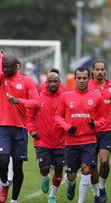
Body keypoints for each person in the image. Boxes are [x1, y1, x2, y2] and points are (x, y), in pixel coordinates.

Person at [0, 51, 39, 203]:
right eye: (3, 67)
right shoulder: (1, 78)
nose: (5, 70)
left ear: (17, 66)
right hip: (3, 128)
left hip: (20, 129)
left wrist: (19, 101)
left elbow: (36, 103)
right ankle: (5, 184)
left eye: (8, 67)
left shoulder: (27, 80)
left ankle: (14, 200)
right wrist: (0, 59)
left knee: (18, 167)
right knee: (3, 161)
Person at [55, 67, 104, 203]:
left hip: (89, 141)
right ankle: (71, 184)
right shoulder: (65, 96)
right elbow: (57, 117)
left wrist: (96, 124)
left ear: (89, 79)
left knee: (86, 169)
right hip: (71, 142)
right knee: (71, 176)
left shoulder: (96, 97)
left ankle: (80, 201)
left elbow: (102, 118)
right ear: (75, 79)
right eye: (79, 78)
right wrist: (67, 127)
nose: (82, 81)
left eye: (84, 78)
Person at [27, 71, 66, 203]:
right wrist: (31, 130)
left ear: (59, 83)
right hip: (41, 140)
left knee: (59, 170)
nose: (53, 84)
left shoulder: (64, 97)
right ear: (46, 83)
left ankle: (52, 195)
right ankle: (45, 177)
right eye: (50, 81)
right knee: (44, 168)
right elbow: (30, 116)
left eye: (55, 81)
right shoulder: (38, 97)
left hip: (61, 140)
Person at [88, 59, 111, 203]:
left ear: (105, 70)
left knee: (104, 160)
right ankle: (96, 194)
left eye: (102, 69)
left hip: (107, 129)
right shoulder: (87, 85)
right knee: (92, 164)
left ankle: (102, 186)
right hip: (90, 130)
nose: (100, 72)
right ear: (93, 71)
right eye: (97, 69)